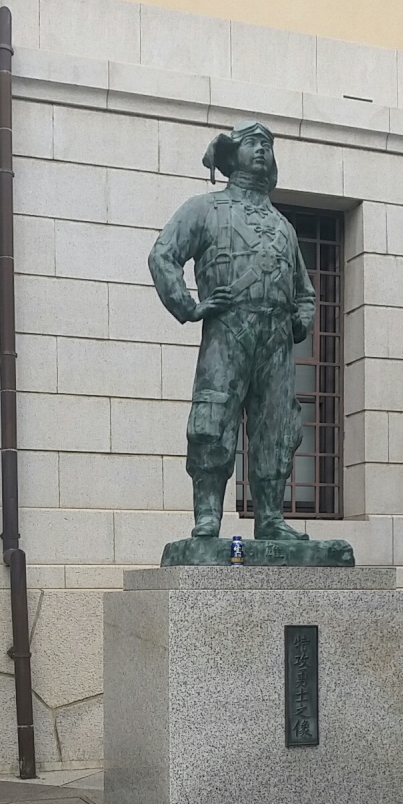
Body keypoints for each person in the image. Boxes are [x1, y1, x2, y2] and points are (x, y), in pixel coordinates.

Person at [148, 120, 316, 541]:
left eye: (267, 145)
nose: (261, 150)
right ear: (232, 153)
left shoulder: (284, 226)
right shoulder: (203, 209)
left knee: (277, 427)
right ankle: (208, 515)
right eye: (252, 143)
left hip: (276, 340)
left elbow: (305, 291)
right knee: (213, 418)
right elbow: (163, 255)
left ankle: (271, 517)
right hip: (227, 330)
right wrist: (189, 307)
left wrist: (301, 318)